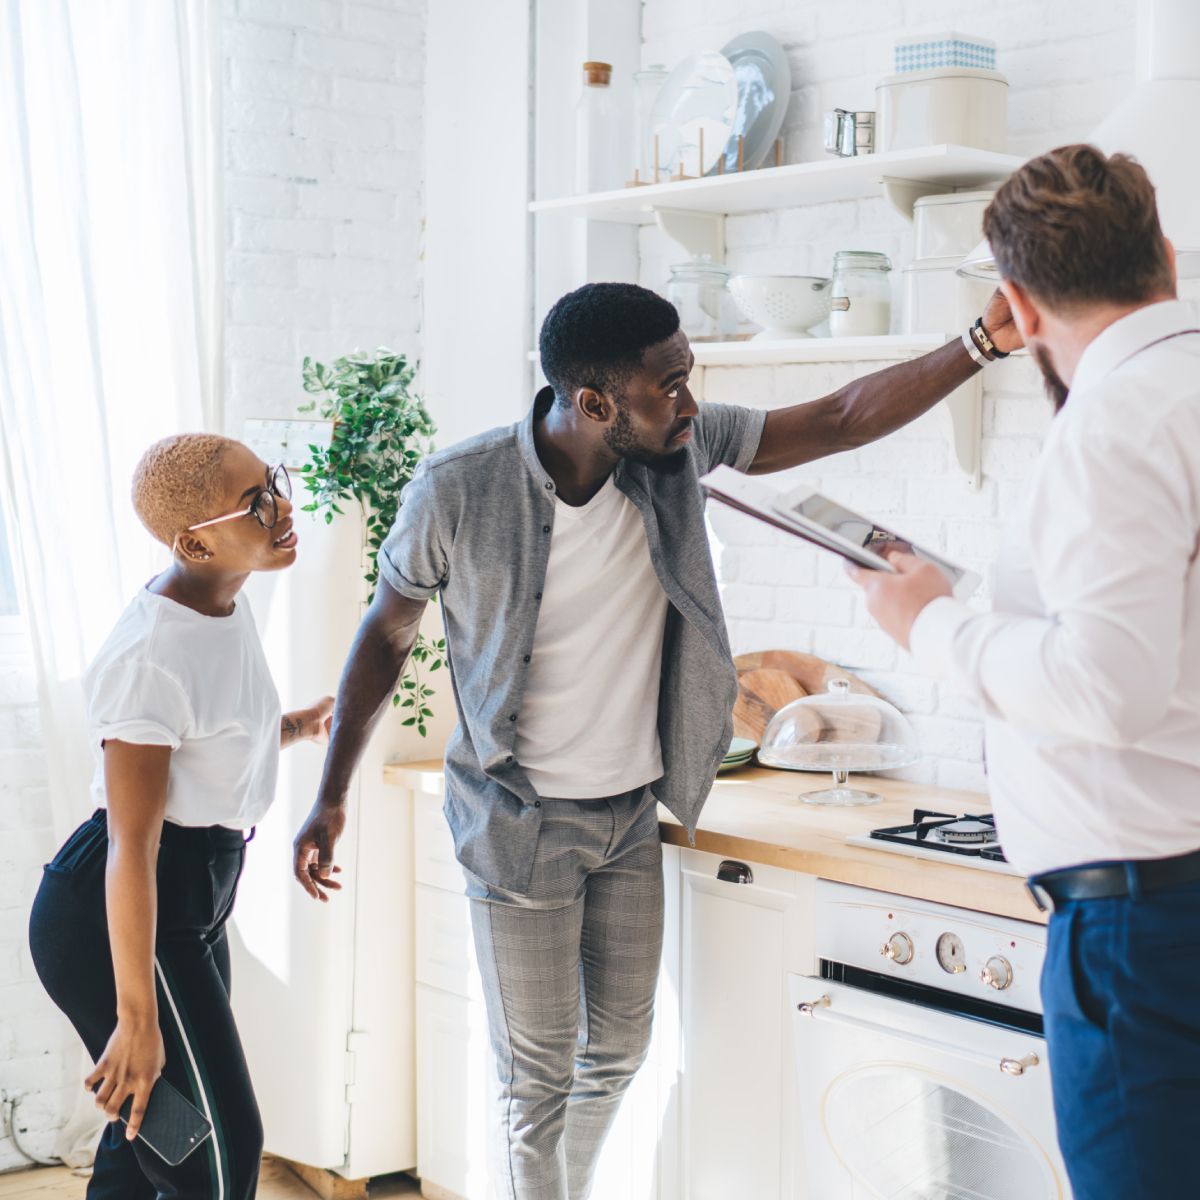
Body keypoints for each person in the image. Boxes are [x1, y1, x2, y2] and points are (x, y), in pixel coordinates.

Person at [292, 281, 1020, 1199]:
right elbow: (385, 634)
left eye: (689, 376)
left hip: (631, 815)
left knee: (618, 1056)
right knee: (538, 1080)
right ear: (595, 403)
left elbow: (835, 417)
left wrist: (980, 345)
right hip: (519, 826)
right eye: (668, 384)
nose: (689, 400)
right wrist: (332, 793)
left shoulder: (677, 449)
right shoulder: (459, 488)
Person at [850, 144, 1200, 1200]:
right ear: (1166, 257)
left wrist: (934, 625)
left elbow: (1110, 686)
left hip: (1140, 924)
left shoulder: (1114, 420)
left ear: (1017, 303)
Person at [29, 434, 334, 1200]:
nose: (283, 509)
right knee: (219, 1155)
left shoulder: (219, 601)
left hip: (190, 899)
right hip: (129, 907)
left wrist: (295, 728)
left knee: (150, 1131)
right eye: (257, 503)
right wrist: (137, 1021)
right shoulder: (150, 657)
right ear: (194, 541)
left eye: (275, 483)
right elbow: (132, 844)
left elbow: (205, 740)